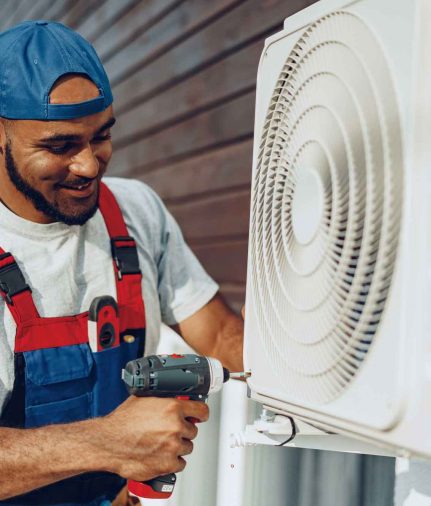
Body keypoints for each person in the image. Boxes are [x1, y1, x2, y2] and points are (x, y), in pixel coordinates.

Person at [0, 20, 244, 505]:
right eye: (59, 145)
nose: (89, 165)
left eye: (101, 136)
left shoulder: (134, 212)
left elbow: (219, 337)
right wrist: (110, 442)